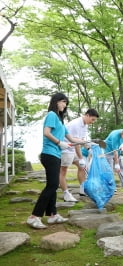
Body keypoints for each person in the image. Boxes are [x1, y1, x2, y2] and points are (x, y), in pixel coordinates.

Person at [26, 92, 83, 229]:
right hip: (49, 154)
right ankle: (34, 216)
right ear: (56, 101)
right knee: (52, 185)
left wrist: (87, 142)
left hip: (56, 155)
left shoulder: (60, 120)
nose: (65, 105)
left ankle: (52, 215)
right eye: (63, 102)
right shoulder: (51, 115)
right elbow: (46, 132)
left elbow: (71, 139)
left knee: (53, 184)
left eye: (66, 103)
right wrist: (59, 142)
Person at [59, 109, 99, 202]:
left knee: (82, 166)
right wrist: (88, 145)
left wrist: (88, 149)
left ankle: (83, 189)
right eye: (92, 119)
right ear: (87, 115)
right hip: (66, 149)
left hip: (73, 148)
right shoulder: (76, 124)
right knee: (63, 171)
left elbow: (79, 141)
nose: (92, 122)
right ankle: (66, 194)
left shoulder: (84, 125)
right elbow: (74, 141)